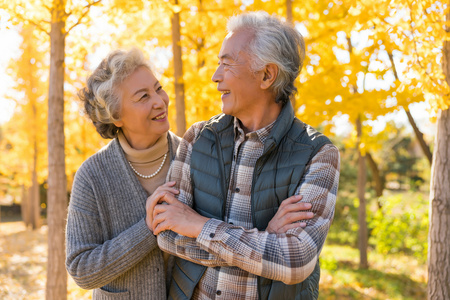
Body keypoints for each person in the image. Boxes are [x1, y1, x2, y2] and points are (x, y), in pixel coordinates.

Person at [150, 11, 340, 299]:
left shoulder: (319, 154)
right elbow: (168, 234)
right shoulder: (198, 137)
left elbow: (296, 261)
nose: (215, 77)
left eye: (227, 63)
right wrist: (266, 239)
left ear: (266, 75)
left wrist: (197, 225)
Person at [65, 48, 181, 299]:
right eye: (143, 97)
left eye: (158, 88)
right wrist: (147, 229)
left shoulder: (193, 157)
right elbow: (81, 270)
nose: (160, 101)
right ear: (116, 116)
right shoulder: (92, 176)